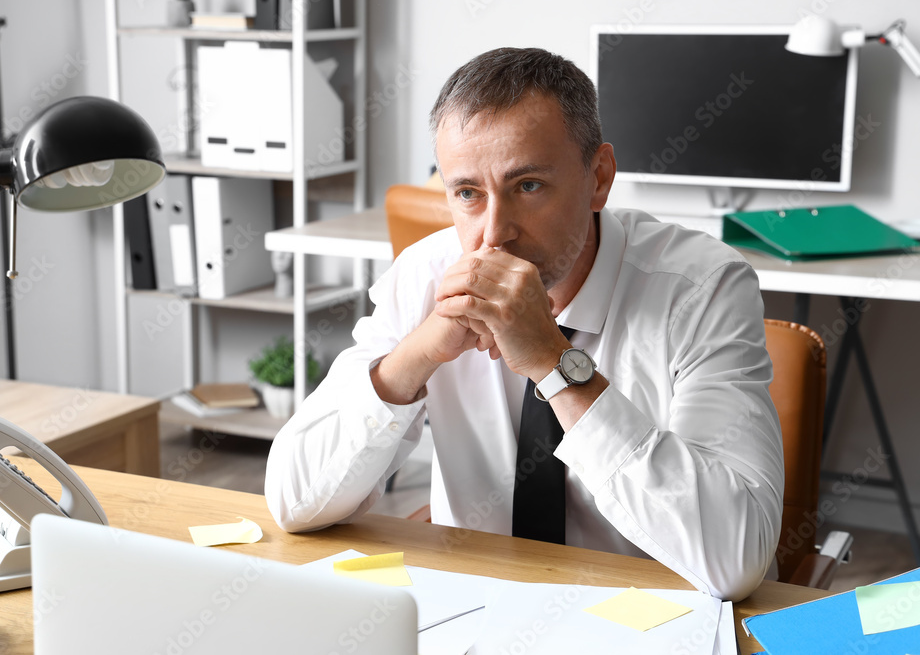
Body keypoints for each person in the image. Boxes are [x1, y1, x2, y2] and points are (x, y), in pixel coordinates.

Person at [265, 47, 784, 601]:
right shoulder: (423, 275)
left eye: (528, 186)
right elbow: (294, 503)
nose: (494, 234)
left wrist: (554, 362)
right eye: (467, 194)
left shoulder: (703, 289)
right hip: (481, 610)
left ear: (599, 178)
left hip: (651, 615)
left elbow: (734, 560)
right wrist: (416, 356)